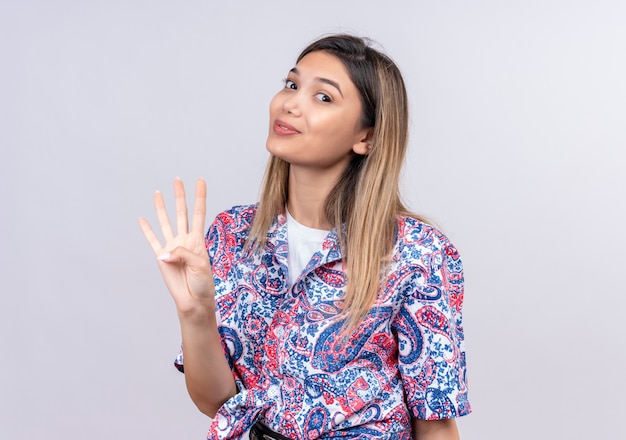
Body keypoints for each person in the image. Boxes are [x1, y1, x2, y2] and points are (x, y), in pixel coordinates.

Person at [139, 34, 471, 440]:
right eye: (292, 84)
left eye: (324, 97)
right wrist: (196, 314)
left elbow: (435, 424)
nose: (290, 103)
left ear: (366, 137)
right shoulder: (232, 235)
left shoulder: (417, 252)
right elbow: (218, 403)